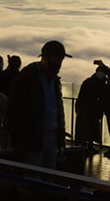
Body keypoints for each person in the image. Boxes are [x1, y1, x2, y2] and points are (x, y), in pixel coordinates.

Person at [7, 41, 70, 169]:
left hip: (51, 137)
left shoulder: (54, 80)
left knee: (48, 176)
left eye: (61, 60)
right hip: (32, 137)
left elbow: (58, 111)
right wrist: (18, 142)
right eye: (56, 59)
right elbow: (14, 112)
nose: (59, 64)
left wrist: (60, 141)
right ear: (45, 57)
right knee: (33, 176)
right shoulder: (26, 78)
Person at [74, 65, 108, 154]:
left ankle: (88, 146)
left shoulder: (90, 82)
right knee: (87, 128)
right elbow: (82, 95)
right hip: (87, 109)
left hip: (92, 109)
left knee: (90, 128)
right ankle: (86, 146)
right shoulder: (99, 83)